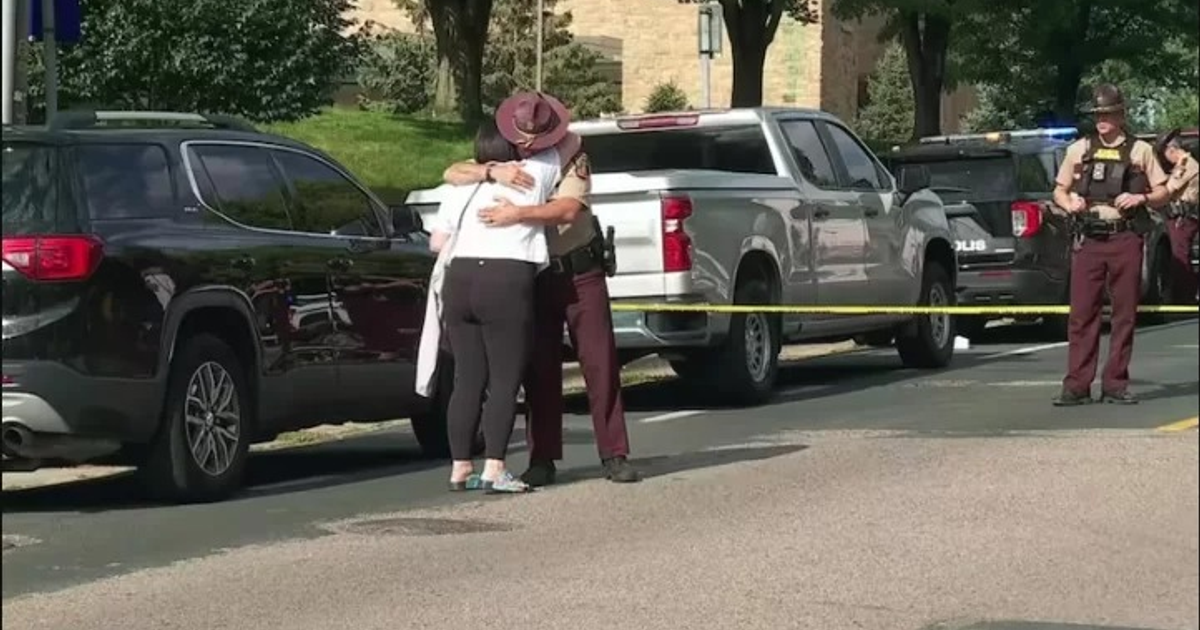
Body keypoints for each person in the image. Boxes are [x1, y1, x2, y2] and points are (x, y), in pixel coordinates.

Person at [443, 92, 640, 486]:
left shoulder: (571, 156)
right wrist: (491, 172)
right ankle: (543, 457)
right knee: (539, 369)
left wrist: (519, 214)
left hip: (577, 270)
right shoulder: (502, 155)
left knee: (599, 364)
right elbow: (452, 172)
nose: (528, 141)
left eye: (536, 133)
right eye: (522, 133)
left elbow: (568, 209)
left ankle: (614, 453)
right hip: (530, 276)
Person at [421, 118, 565, 494]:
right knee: (504, 380)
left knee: (468, 378)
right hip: (506, 277)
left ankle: (459, 467)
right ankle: (495, 468)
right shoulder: (533, 172)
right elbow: (570, 139)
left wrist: (485, 172)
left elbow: (438, 242)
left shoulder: (460, 184)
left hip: (461, 277)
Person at [1052, 84, 1170, 407]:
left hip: (1125, 236)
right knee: (1082, 314)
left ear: (1120, 114)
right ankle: (1076, 385)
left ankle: (1115, 384)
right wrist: (1070, 202)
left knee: (1124, 314)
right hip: (1089, 236)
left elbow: (1163, 192)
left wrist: (1141, 197)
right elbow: (1059, 191)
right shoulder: (1079, 149)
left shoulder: (1140, 151)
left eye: (1107, 114)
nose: (1101, 120)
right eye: (1098, 115)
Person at [1157, 128, 1199, 304]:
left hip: (1182, 218)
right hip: (1183, 218)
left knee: (1179, 257)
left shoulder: (1185, 164)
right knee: (1181, 255)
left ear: (1171, 150)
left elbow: (1170, 188)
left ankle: (1183, 298)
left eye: (1164, 154)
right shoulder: (1189, 162)